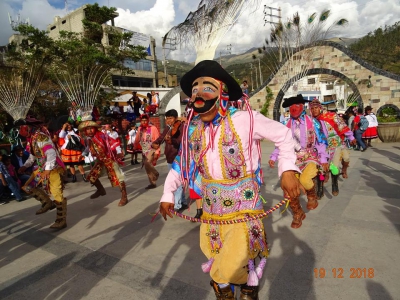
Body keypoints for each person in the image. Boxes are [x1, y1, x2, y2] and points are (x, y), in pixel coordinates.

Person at [159, 60, 302, 299]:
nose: (198, 95)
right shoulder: (194, 129)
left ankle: (226, 282)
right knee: (214, 251)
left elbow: (284, 135)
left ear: (223, 93)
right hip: (212, 209)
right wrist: (167, 194)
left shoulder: (246, 119)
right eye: (194, 90)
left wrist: (287, 170)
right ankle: (239, 284)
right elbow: (183, 163)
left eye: (207, 88)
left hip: (244, 206)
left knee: (236, 256)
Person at [269, 94, 329, 228]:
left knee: (305, 180)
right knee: (289, 189)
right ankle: (298, 212)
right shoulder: (285, 125)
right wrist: (273, 156)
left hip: (310, 156)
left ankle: (312, 196)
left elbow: (322, 141)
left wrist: (324, 158)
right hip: (292, 158)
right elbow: (280, 143)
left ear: (302, 107)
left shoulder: (313, 122)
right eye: (291, 106)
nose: (294, 108)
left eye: (297, 105)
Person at [17, 120, 67, 229]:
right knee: (27, 186)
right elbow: (33, 156)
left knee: (57, 195)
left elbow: (51, 153)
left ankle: (61, 220)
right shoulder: (31, 139)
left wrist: (48, 170)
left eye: (22, 127)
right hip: (41, 168)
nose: (20, 130)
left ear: (29, 127)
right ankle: (47, 202)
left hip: (53, 169)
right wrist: (25, 166)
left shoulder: (40, 137)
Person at [309, 99, 357, 197]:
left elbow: (342, 126)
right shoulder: (310, 121)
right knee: (320, 169)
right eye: (312, 108)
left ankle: (335, 184)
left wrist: (351, 137)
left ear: (320, 108)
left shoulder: (331, 116)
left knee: (334, 166)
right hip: (319, 148)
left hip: (334, 145)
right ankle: (320, 188)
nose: (314, 110)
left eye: (316, 108)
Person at [78, 119, 128, 207]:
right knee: (91, 177)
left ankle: (124, 196)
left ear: (95, 128)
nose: (89, 131)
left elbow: (113, 142)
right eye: (87, 129)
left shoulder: (102, 135)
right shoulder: (90, 139)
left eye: (91, 129)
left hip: (109, 159)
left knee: (118, 178)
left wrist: (119, 152)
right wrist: (83, 155)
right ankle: (101, 190)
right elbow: (89, 148)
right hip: (100, 160)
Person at [152, 109, 187, 212]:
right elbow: (161, 137)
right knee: (177, 182)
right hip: (170, 157)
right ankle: (183, 202)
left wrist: (172, 141)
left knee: (177, 183)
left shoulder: (181, 127)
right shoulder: (168, 128)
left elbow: (180, 142)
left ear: (176, 118)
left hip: (178, 157)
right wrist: (155, 142)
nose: (168, 121)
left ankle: (177, 205)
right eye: (167, 118)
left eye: (171, 118)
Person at [134, 114, 160, 189]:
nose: (144, 122)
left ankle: (156, 173)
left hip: (152, 149)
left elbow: (157, 140)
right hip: (144, 150)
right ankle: (152, 183)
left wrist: (157, 152)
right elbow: (137, 139)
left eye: (145, 120)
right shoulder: (140, 129)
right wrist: (135, 147)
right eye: (142, 120)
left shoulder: (153, 128)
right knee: (147, 168)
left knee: (147, 162)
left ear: (148, 121)